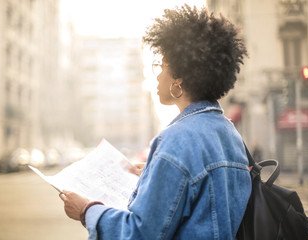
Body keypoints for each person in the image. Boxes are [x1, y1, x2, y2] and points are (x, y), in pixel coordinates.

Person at [59, 5, 251, 239]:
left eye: (162, 65)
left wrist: (87, 210)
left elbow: (141, 233)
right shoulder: (229, 133)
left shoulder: (177, 141)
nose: (157, 75)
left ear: (178, 80)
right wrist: (156, 176)